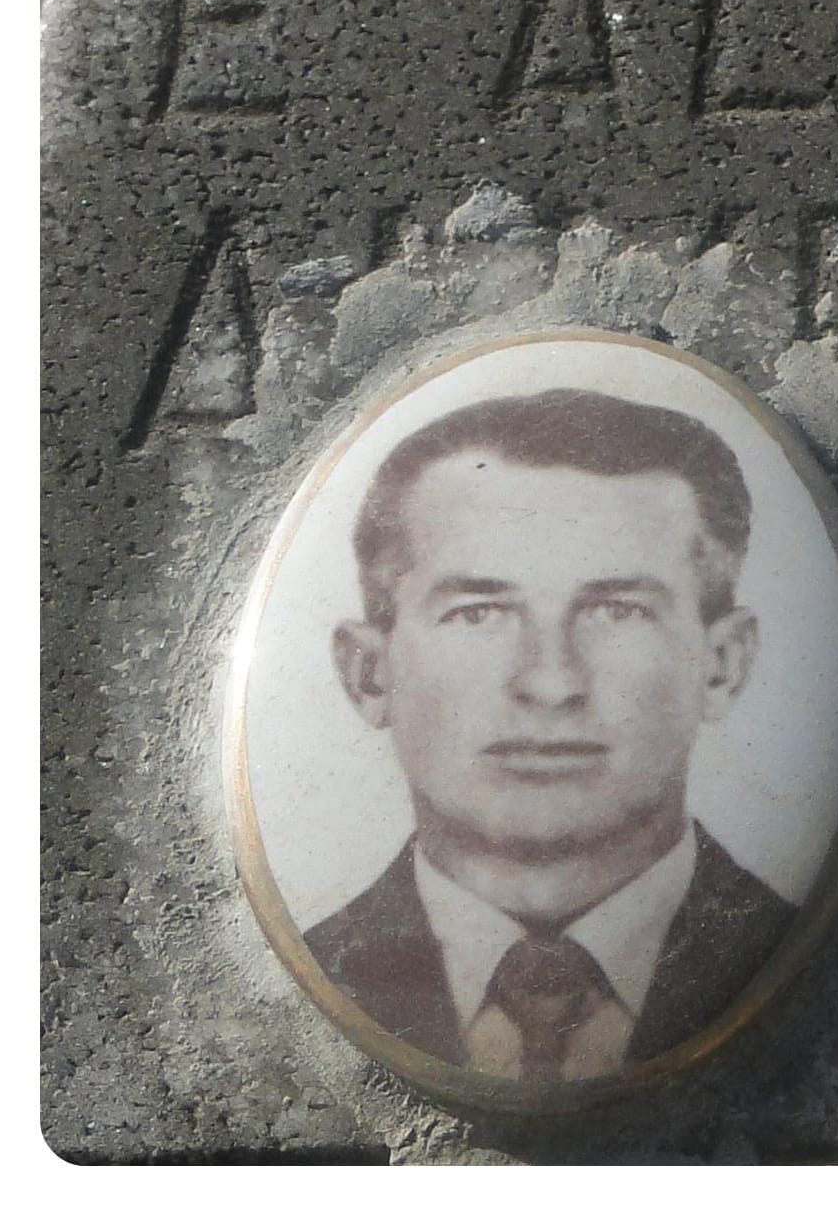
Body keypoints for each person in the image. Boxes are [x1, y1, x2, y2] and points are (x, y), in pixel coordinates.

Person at [303, 388, 795, 1085]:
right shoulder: (312, 972)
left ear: (722, 665)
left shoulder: (800, 954)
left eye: (617, 610)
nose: (552, 681)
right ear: (369, 674)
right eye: (479, 613)